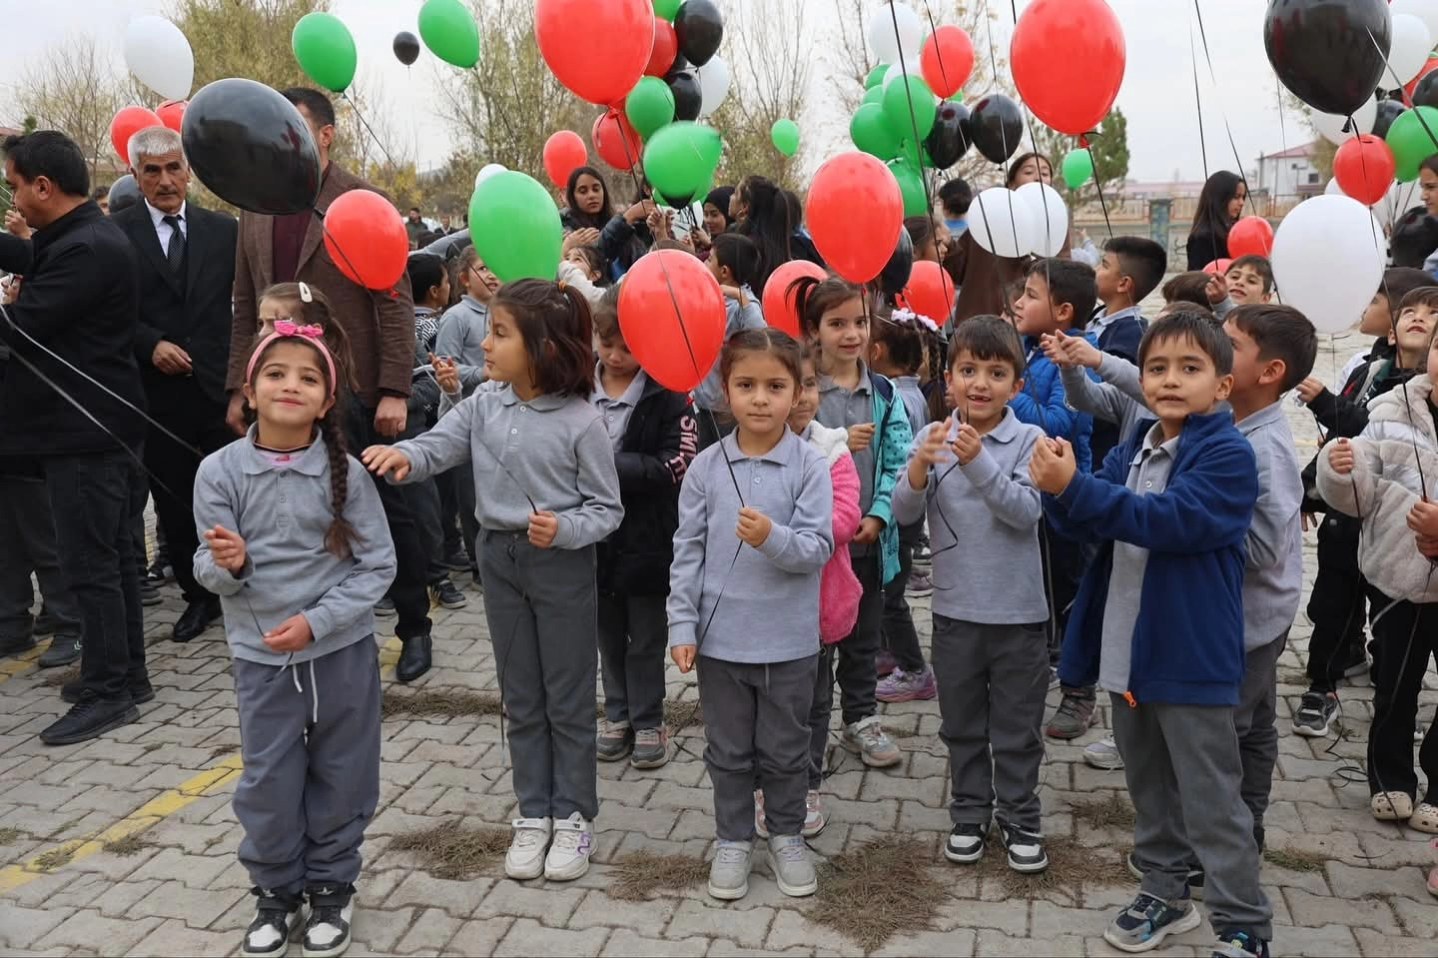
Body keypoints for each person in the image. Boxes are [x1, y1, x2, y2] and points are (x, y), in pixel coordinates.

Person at [364, 279, 623, 882]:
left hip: (559, 567)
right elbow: (438, 446)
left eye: (500, 334)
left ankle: (575, 816)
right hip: (496, 562)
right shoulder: (485, 404)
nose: (485, 343)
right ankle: (534, 812)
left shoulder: (583, 422)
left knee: (567, 696)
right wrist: (404, 458)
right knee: (521, 696)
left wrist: (563, 528)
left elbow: (607, 511)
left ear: (544, 347)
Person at [1034, 311, 1271, 958]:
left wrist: (1077, 489)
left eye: (1190, 368)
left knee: (1210, 798)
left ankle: (1244, 924)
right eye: (1157, 367)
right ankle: (1165, 894)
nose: (1169, 380)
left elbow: (1170, 520)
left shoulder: (1227, 454)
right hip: (1126, 653)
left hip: (1189, 657)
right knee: (1149, 788)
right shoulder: (1137, 440)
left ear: (1223, 386)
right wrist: (1057, 485)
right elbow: (1089, 524)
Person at [193, 318, 394, 958]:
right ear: (248, 391)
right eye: (275, 374)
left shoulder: (348, 476)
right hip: (262, 662)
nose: (290, 385)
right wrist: (229, 565)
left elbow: (378, 567)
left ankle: (333, 887)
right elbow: (203, 567)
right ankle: (276, 894)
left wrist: (318, 621)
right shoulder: (217, 472)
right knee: (270, 781)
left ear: (328, 401)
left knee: (344, 772)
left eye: (308, 377)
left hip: (340, 655)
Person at [225, 87, 434, 683]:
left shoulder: (362, 200)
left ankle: (415, 626)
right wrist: (240, 386)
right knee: (307, 512)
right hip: (282, 387)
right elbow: (244, 301)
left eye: (296, 126)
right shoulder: (255, 204)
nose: (282, 139)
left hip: (356, 386)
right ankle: (325, 628)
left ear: (325, 135)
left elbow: (393, 302)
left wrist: (394, 387)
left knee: (390, 512)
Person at [667, 327, 833, 901]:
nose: (760, 398)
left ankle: (786, 834)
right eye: (746, 385)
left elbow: (817, 548)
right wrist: (682, 625)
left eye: (774, 386)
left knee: (788, 751)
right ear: (724, 390)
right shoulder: (708, 467)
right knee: (729, 752)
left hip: (789, 645)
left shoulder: (810, 466)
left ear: (798, 394)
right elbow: (686, 550)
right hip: (721, 647)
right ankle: (733, 838)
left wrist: (771, 537)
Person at [1, 131, 151, 745]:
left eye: (15, 186)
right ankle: (126, 673)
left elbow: (21, 327)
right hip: (97, 429)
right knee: (113, 560)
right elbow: (31, 260)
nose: (14, 197)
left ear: (43, 186)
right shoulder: (79, 236)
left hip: (87, 435)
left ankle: (109, 691)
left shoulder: (87, 249)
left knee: (93, 566)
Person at [894, 316, 1051, 872]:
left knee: (1016, 726)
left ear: (1017, 383)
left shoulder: (1029, 440)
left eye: (996, 372)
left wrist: (977, 461)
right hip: (955, 612)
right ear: (948, 377)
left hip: (1018, 615)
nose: (980, 383)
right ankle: (968, 812)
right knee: (961, 723)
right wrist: (918, 467)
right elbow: (903, 514)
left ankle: (1020, 816)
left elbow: (1024, 512)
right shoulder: (931, 436)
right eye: (967, 370)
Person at [1293, 274, 1438, 736]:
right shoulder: (1368, 372)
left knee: (1392, 619)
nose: (1421, 318)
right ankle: (1322, 684)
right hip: (1348, 517)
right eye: (1410, 311)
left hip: (1405, 535)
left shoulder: (1428, 394)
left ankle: (1391, 691)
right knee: (1332, 603)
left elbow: (1350, 420)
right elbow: (1346, 441)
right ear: (1391, 332)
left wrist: (1325, 403)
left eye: (1434, 315)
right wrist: (1307, 490)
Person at [110, 126, 239, 643]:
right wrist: (149, 343)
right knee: (176, 501)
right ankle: (199, 597)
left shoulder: (223, 231)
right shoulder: (115, 235)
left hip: (222, 391)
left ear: (188, 170)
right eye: (152, 171)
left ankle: (246, 584)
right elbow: (107, 312)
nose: (165, 181)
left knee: (236, 491)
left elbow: (246, 306)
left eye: (173, 168)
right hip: (157, 398)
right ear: (136, 177)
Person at [1319, 320, 1438, 836]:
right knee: (1395, 684)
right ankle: (1390, 777)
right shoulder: (1391, 410)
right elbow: (1360, 493)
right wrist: (1340, 469)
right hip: (1400, 577)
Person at [797, 275, 912, 770]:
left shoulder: (883, 393)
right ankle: (811, 723)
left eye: (859, 322)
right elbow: (789, 449)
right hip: (817, 547)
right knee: (818, 640)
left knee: (865, 637)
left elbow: (897, 461)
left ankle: (860, 718)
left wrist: (881, 512)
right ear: (813, 330)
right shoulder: (803, 390)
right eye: (836, 323)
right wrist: (842, 435)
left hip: (868, 542)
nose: (851, 333)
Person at [754, 344, 861, 840]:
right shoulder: (752, 449)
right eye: (790, 385)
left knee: (816, 703)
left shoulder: (832, 450)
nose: (802, 397)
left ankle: (807, 783)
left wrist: (781, 530)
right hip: (767, 606)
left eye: (811, 384)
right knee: (769, 703)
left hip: (819, 607)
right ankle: (765, 786)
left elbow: (842, 520)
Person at [590, 287, 698, 769]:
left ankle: (650, 716)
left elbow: (675, 463)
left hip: (650, 539)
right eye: (605, 343)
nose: (614, 356)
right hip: (593, 540)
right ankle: (617, 712)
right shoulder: (576, 388)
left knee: (647, 635)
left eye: (627, 348)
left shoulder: (669, 394)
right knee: (607, 633)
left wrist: (604, 468)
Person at [869, 309, 941, 702]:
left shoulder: (898, 398)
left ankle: (915, 669)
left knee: (890, 595)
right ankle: (887, 651)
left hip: (900, 514)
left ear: (876, 352)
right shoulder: (914, 393)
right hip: (901, 512)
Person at [947, 153, 1070, 325]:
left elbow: (1062, 279)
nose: (1038, 178)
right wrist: (947, 245)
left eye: (1044, 174)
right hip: (976, 324)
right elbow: (956, 270)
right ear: (1012, 183)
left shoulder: (1054, 225)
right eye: (1029, 172)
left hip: (1027, 330)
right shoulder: (988, 217)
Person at [1090, 236, 1167, 466]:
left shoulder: (1131, 337)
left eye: (1103, 265)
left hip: (1098, 453)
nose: (1095, 270)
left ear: (1124, 284)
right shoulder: (1094, 315)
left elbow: (1104, 405)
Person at [693, 234, 767, 448]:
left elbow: (761, 334)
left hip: (724, 407)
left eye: (709, 260)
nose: (704, 262)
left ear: (724, 272)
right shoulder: (709, 296)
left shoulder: (742, 304)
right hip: (701, 401)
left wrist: (738, 295)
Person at [1186, 171, 1247, 270]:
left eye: (1243, 197)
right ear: (1220, 198)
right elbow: (1198, 278)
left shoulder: (1235, 233)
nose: (1241, 203)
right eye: (1236, 197)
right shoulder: (1203, 238)